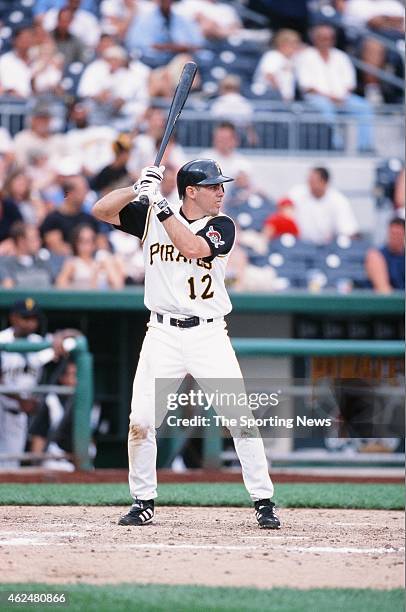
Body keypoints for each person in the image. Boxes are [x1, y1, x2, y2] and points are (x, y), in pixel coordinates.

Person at [92, 159, 280, 529]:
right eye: (212, 186)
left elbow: (193, 247)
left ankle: (263, 500)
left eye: (220, 186)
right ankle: (143, 500)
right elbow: (100, 210)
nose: (221, 192)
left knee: (239, 420)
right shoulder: (149, 217)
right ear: (191, 191)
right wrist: (137, 188)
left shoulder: (222, 225)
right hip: (161, 332)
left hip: (208, 334)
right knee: (141, 421)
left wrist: (159, 205)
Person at [0, 299, 78, 468]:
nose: (30, 323)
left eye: (33, 319)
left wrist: (61, 336)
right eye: (25, 318)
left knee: (10, 466)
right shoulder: (2, 339)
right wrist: (20, 400)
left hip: (18, 415)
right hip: (4, 406)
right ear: (13, 318)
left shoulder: (39, 342)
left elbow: (77, 338)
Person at [296, 24, 374, 152]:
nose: (327, 41)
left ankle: (364, 146)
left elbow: (350, 83)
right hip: (316, 98)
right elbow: (307, 86)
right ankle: (335, 145)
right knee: (325, 108)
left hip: (342, 98)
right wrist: (331, 98)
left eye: (329, 38)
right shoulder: (305, 56)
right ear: (314, 39)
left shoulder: (341, 56)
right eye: (323, 38)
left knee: (364, 107)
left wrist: (340, 97)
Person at [288, 167, 359, 245]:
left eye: (314, 181)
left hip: (328, 248)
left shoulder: (338, 200)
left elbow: (348, 231)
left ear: (325, 182)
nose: (310, 184)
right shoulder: (296, 194)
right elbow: (282, 217)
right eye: (309, 180)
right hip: (299, 246)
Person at [40, 175, 101, 255]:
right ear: (70, 193)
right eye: (83, 190)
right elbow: (57, 248)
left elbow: (100, 243)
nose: (86, 194)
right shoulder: (52, 219)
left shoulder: (89, 218)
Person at [56, 223, 125, 289]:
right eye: (82, 241)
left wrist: (108, 264)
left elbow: (118, 286)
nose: (86, 245)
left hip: (102, 299)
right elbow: (60, 286)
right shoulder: (72, 263)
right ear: (76, 242)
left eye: (90, 240)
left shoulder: (101, 261)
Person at [0, 222, 54, 289]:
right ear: (21, 241)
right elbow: (8, 288)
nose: (40, 240)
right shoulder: (5, 264)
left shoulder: (43, 262)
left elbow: (55, 285)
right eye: (35, 238)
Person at [253, 29, 301, 101]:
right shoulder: (273, 55)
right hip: (268, 97)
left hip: (285, 99)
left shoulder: (291, 59)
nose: (295, 47)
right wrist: (280, 94)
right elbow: (269, 75)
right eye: (292, 43)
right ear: (282, 43)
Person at [365, 218, 405, 292]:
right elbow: (383, 290)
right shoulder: (376, 256)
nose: (395, 237)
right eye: (393, 233)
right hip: (386, 302)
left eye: (398, 234)